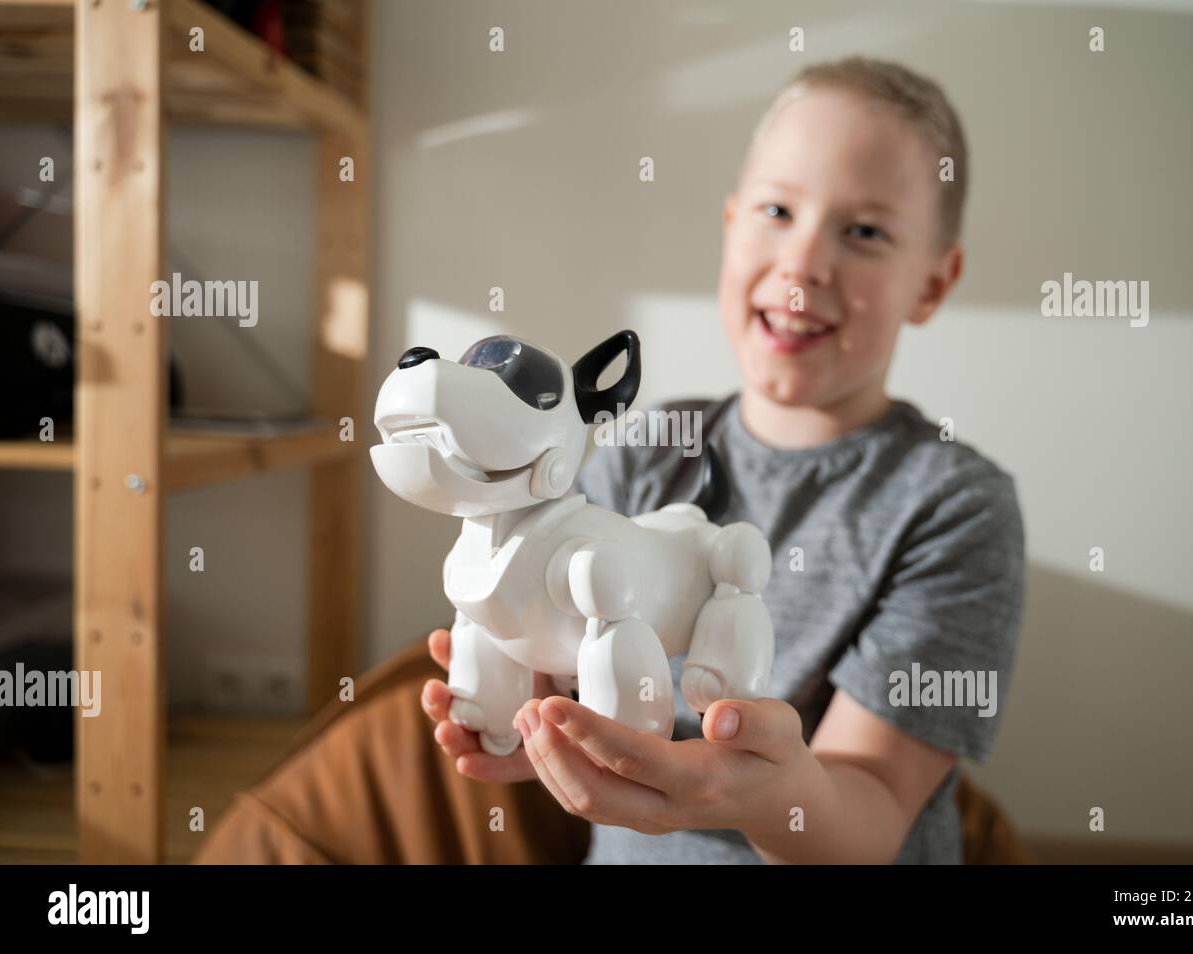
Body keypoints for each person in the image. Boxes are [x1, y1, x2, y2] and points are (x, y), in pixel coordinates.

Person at [418, 54, 1026, 864]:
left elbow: (871, 809)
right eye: (778, 210)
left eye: (866, 231)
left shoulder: (953, 505)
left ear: (932, 284)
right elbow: (558, 673)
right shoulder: (639, 451)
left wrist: (772, 798)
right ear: (732, 222)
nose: (805, 263)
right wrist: (524, 725)